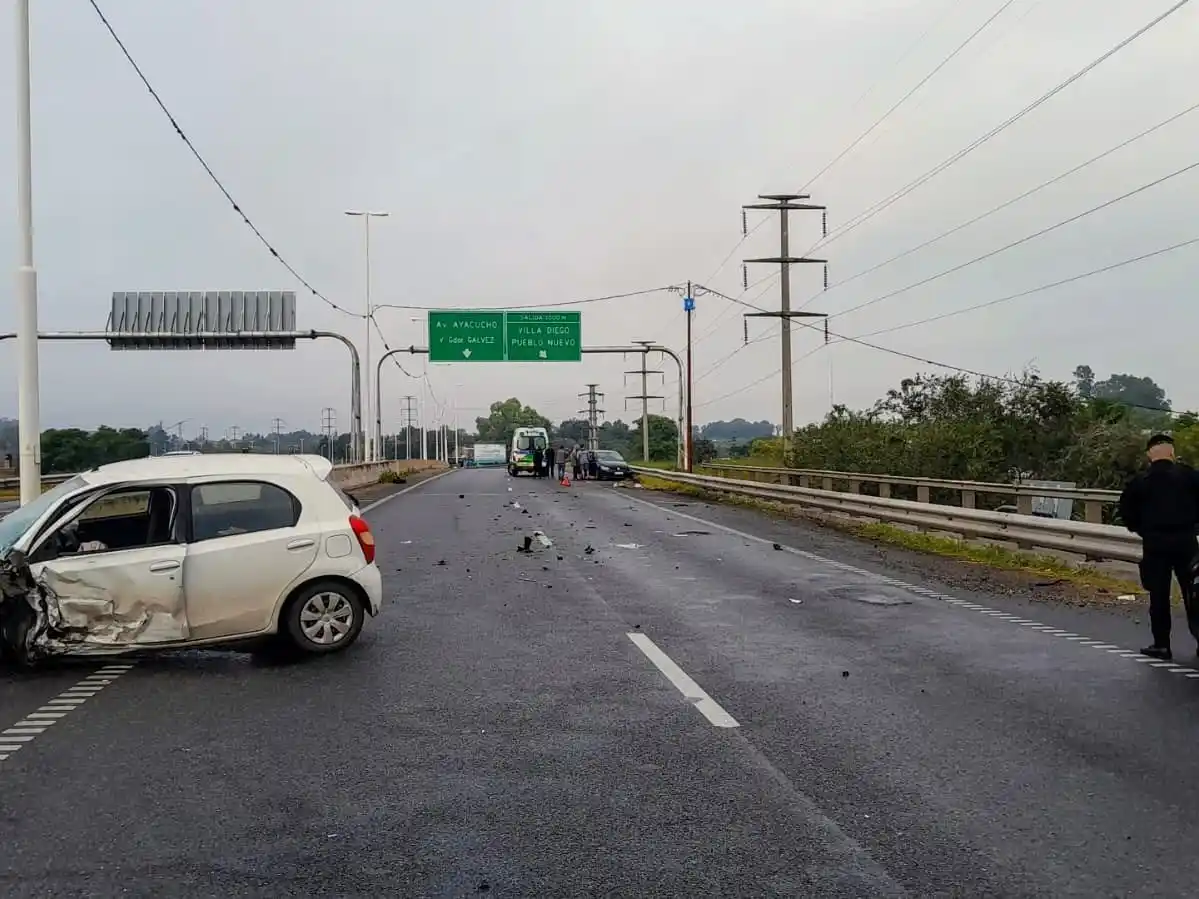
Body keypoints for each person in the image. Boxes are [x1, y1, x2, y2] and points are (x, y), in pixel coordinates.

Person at [1119, 432, 1199, 660]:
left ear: (1149, 455)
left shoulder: (1140, 482)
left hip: (1155, 543)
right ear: (1172, 453)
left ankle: (1162, 645)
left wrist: (1142, 530)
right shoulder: (1190, 477)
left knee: (1159, 595)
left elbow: (1126, 512)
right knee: (1194, 592)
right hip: (1186, 541)